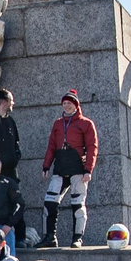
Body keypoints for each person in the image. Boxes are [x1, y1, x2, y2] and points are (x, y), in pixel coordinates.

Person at [39, 93, 98, 248]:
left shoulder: (86, 124)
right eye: (64, 103)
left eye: (69, 103)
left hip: (78, 169)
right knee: (49, 203)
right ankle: (50, 237)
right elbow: (51, 145)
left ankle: (77, 238)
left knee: (77, 204)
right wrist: (46, 166)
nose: (66, 106)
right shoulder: (58, 123)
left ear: (76, 105)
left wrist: (88, 169)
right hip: (60, 168)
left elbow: (92, 147)